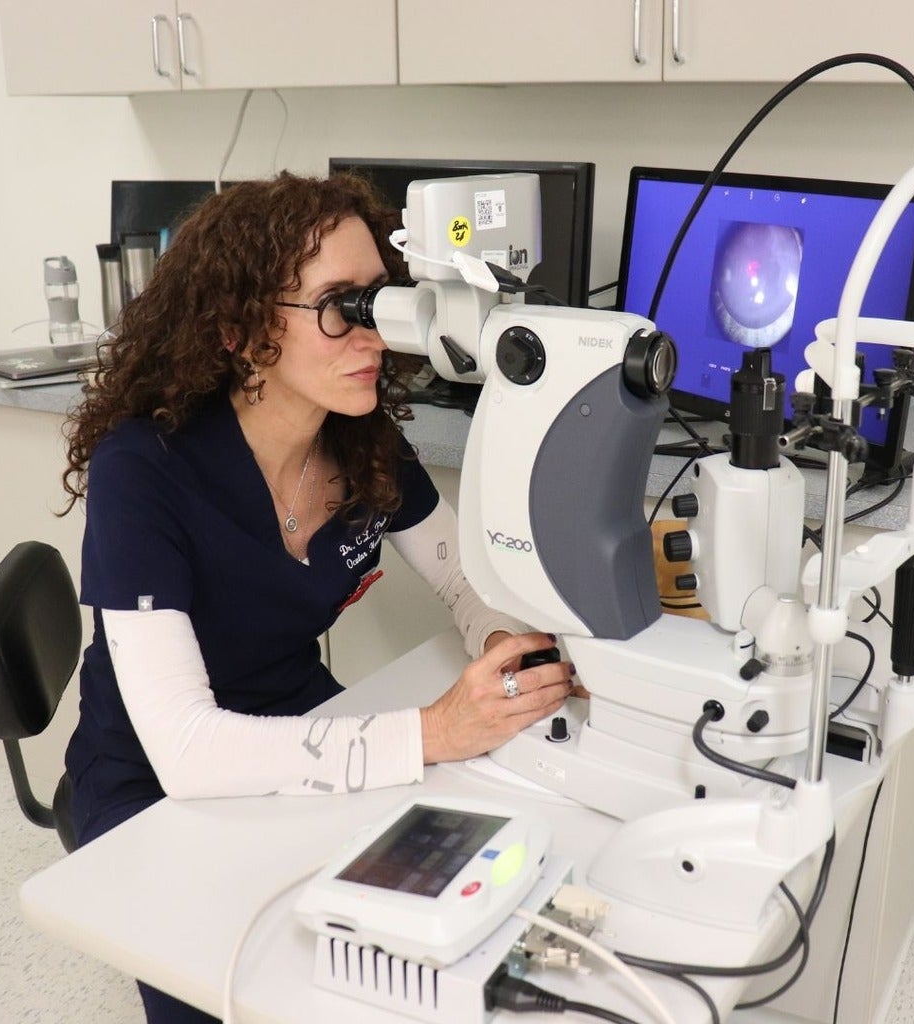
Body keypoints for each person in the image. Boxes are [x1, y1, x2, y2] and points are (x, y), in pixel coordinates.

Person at [59, 171, 575, 1024]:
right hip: (151, 777)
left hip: (303, 718)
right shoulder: (144, 472)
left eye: (379, 299)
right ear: (239, 330)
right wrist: (434, 730)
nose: (374, 332)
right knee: (236, 990)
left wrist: (501, 649)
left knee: (399, 951)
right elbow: (187, 748)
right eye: (341, 306)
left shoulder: (361, 439)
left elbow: (462, 576)